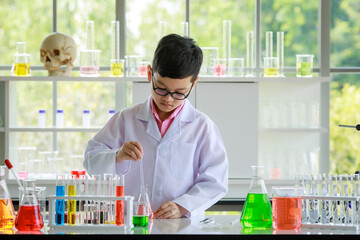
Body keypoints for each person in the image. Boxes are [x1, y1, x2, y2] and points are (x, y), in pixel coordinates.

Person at [84, 34, 228, 219]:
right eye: (161, 88)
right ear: (149, 74)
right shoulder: (126, 119)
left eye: (179, 93)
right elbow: (90, 161)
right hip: (132, 221)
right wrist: (117, 155)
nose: (168, 98)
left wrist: (182, 206)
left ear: (194, 84)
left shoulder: (202, 127)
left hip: (181, 226)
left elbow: (215, 181)